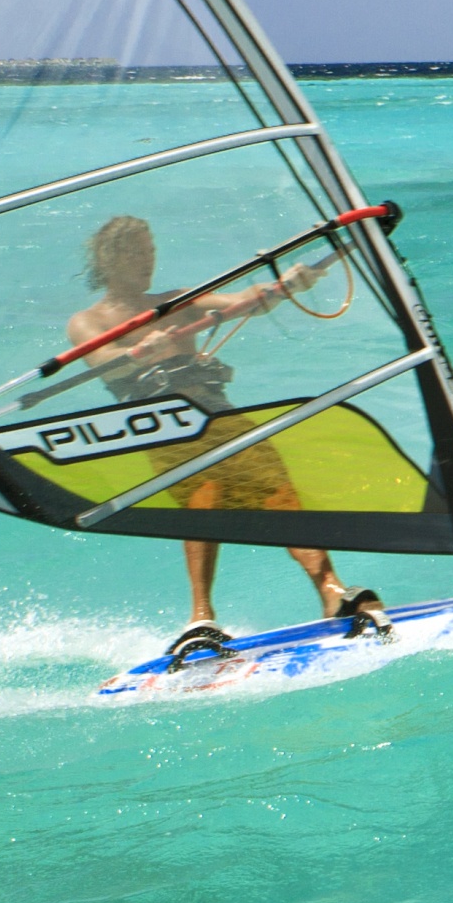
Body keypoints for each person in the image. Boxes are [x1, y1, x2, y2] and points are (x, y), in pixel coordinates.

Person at [67, 214, 388, 657]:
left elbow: (244, 300)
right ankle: (201, 617)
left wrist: (288, 283)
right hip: (164, 422)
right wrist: (141, 350)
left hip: (218, 413)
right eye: (139, 251)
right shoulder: (88, 320)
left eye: (151, 249)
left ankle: (332, 592)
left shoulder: (176, 300)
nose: (148, 259)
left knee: (281, 493)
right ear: (112, 258)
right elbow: (107, 357)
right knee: (205, 498)